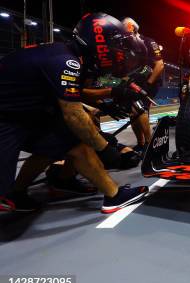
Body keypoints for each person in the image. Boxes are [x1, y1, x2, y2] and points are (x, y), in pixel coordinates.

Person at [0, 12, 149, 214]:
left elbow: (73, 94)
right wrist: (105, 149)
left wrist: (104, 105)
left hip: (21, 116)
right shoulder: (66, 62)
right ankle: (112, 196)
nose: (118, 51)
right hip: (8, 119)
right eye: (114, 44)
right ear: (99, 41)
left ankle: (106, 193)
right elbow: (73, 115)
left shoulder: (66, 54)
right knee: (2, 195)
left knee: (66, 141)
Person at [122, 17, 165, 152]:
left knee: (138, 108)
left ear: (131, 27)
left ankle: (149, 143)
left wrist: (148, 84)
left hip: (150, 80)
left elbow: (160, 65)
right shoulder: (124, 44)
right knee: (132, 112)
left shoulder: (149, 41)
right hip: (134, 82)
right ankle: (141, 143)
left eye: (122, 27)